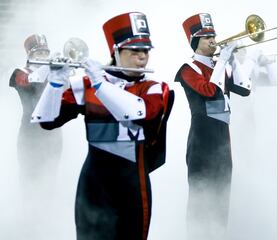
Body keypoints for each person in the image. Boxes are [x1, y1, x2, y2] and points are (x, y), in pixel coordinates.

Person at [31, 12, 174, 240]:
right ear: (116, 52)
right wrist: (56, 83)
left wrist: (100, 83)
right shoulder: (86, 85)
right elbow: (46, 121)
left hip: (133, 187)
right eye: (134, 51)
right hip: (93, 187)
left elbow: (140, 113)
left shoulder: (155, 88)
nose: (142, 58)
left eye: (145, 51)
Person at [174, 13, 257, 240]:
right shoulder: (187, 68)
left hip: (223, 141)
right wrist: (222, 62)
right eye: (206, 37)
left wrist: (232, 62)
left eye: (213, 35)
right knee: (200, 201)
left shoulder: (218, 66)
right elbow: (210, 91)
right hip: (201, 141)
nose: (213, 40)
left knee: (222, 199)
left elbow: (244, 88)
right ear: (195, 42)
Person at [9, 34, 63, 237]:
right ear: (30, 56)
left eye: (46, 53)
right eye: (39, 53)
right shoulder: (20, 73)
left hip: (54, 135)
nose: (44, 56)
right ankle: (28, 224)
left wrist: (63, 72)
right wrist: (51, 67)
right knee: (29, 178)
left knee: (50, 178)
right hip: (30, 135)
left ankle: (47, 223)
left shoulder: (54, 73)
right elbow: (25, 83)